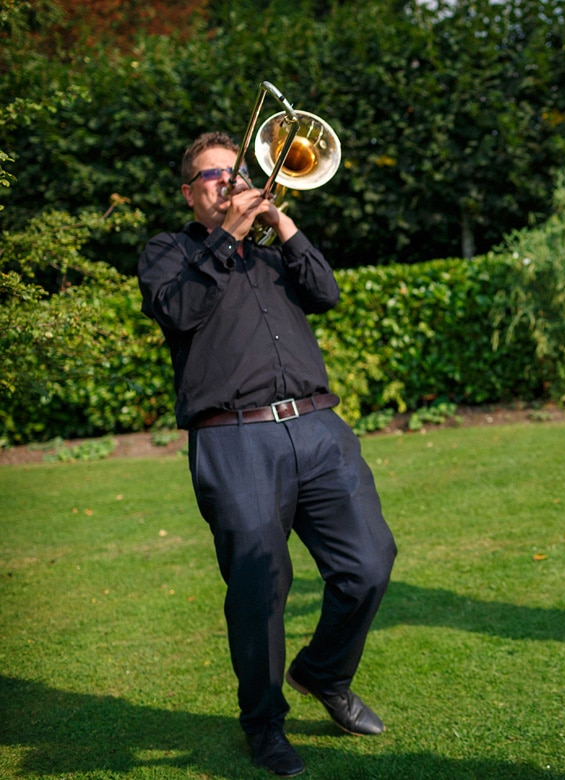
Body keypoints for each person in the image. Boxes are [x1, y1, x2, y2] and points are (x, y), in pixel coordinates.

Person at [138, 132, 397, 777]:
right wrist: (226, 237)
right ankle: (264, 725)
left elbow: (326, 293)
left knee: (369, 563)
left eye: (234, 171)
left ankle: (323, 674)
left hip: (317, 429)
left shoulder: (270, 252)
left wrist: (279, 219)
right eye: (210, 175)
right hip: (233, 438)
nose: (226, 182)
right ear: (188, 191)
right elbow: (179, 313)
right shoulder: (168, 252)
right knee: (259, 589)